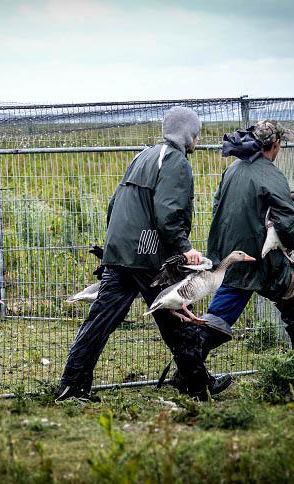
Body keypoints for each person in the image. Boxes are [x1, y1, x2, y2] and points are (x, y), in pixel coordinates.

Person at [56, 106, 232, 402]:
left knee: (101, 321)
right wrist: (184, 249)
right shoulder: (175, 161)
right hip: (146, 252)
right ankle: (196, 383)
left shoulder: (144, 155)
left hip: (120, 249)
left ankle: (71, 385)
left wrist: (117, 243)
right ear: (189, 134)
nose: (198, 141)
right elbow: (168, 212)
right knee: (175, 314)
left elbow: (114, 203)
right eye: (197, 134)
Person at [196, 120, 294, 365]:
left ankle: (188, 368)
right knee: (293, 304)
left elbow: (217, 207)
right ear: (274, 145)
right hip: (261, 260)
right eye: (280, 143)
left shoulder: (233, 169)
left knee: (218, 316)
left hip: (232, 256)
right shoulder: (271, 175)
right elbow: (286, 223)